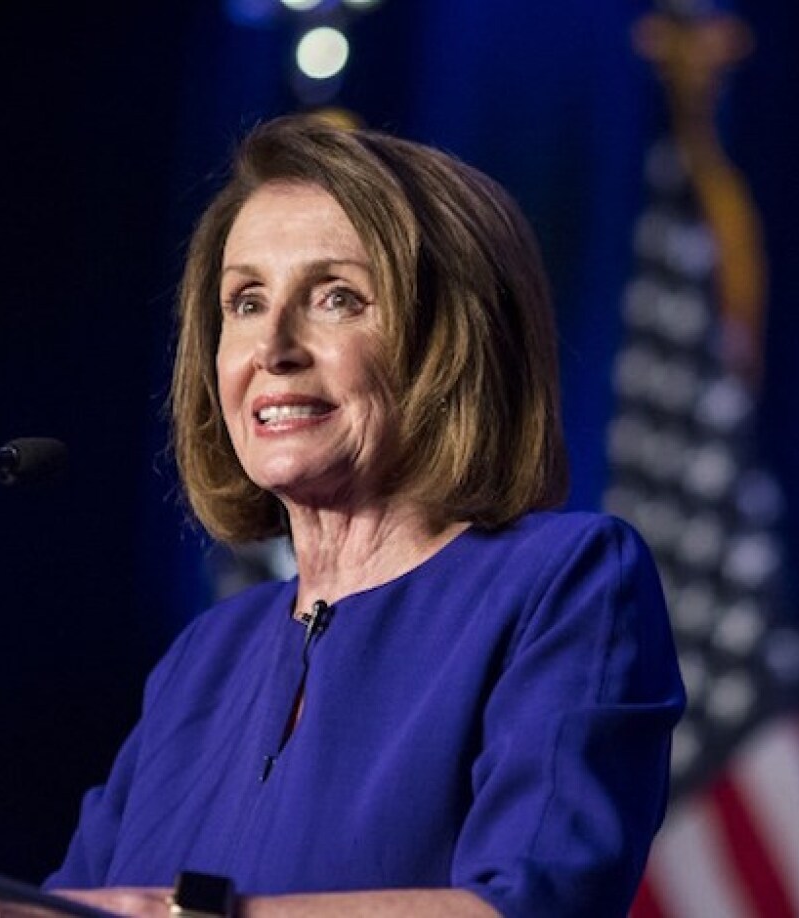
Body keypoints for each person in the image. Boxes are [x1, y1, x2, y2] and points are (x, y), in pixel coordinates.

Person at [46, 115, 685, 918]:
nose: (271, 347)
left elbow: (531, 906)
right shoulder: (203, 658)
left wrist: (197, 916)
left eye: (336, 298)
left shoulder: (563, 582)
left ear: (451, 341)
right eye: (244, 302)